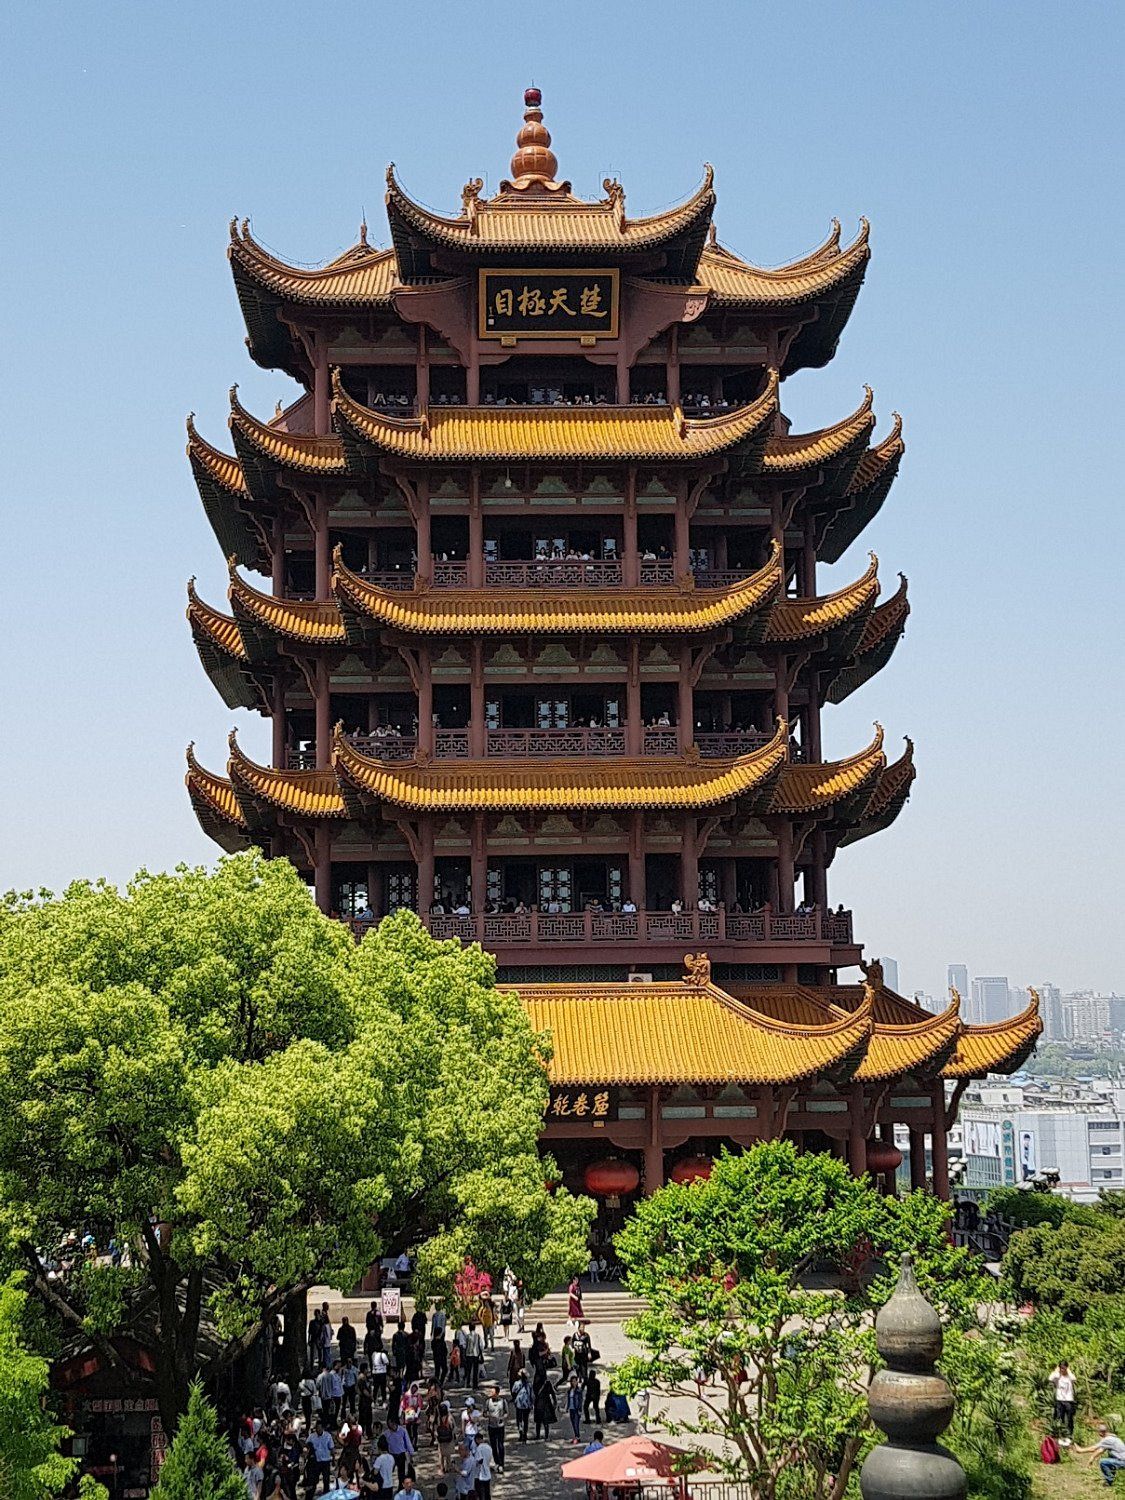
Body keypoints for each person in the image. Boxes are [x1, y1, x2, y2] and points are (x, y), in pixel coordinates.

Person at [384, 1415, 415, 1488]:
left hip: (401, 1455)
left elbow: (408, 1443)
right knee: (388, 1471)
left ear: (394, 1423)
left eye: (390, 1423)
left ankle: (401, 1488)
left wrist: (411, 1454)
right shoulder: (387, 1433)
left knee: (401, 1473)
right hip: (391, 1455)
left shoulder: (402, 1431)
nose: (389, 1425)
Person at [305, 1420, 335, 1496]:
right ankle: (311, 1494)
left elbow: (332, 1448)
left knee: (326, 1479)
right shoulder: (311, 1436)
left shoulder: (328, 1436)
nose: (318, 1430)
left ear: (323, 1428)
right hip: (316, 1461)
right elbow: (306, 1446)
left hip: (326, 1460)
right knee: (314, 1479)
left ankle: (326, 1495)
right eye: (317, 1428)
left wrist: (333, 1459)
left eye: (320, 1428)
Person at [1049, 1360, 1077, 1438]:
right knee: (1060, 1418)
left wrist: (1068, 1370)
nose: (1062, 1369)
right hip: (1060, 1400)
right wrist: (1056, 1371)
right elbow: (1050, 1378)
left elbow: (1074, 1379)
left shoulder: (1069, 1377)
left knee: (1069, 1418)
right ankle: (1060, 1434)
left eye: (1064, 1368)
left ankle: (1070, 1434)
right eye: (1061, 1368)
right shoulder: (1058, 1377)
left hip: (1068, 1400)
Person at [485, 1383, 507, 1474]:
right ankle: (497, 1462)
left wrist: (502, 1418)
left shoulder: (503, 1402)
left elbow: (506, 1413)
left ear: (497, 1393)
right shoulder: (488, 1402)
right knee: (493, 1445)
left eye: (493, 1391)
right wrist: (487, 1415)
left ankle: (501, 1463)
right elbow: (485, 1412)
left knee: (500, 1445)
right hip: (491, 1426)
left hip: (500, 1426)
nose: (491, 1393)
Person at [533, 1372, 557, 1440]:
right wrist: (554, 1402)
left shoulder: (536, 1383)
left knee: (538, 1421)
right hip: (546, 1403)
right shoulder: (547, 1383)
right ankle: (546, 1436)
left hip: (538, 1404)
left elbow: (534, 1393)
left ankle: (538, 1435)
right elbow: (552, 1393)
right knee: (545, 1421)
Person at [435, 1401, 456, 1474]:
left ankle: (442, 1468)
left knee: (441, 1454)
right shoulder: (449, 1418)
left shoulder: (439, 1418)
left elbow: (436, 1427)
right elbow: (453, 1427)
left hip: (441, 1438)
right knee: (448, 1454)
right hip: (449, 1438)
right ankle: (448, 1467)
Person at [512, 1369, 533, 1443]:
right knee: (526, 1420)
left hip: (519, 1404)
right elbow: (531, 1395)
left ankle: (521, 1432)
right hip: (527, 1404)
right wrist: (531, 1403)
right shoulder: (529, 1384)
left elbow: (513, 1392)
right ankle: (525, 1434)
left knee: (519, 1419)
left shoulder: (516, 1383)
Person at [474, 1434, 494, 1500]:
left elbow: (479, 1460)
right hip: (487, 1473)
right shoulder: (489, 1447)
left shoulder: (479, 1448)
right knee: (487, 1492)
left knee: (481, 1494)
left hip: (480, 1474)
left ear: (477, 1439)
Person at [464, 1322, 483, 1389]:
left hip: (468, 1354)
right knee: (475, 1371)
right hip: (476, 1355)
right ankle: (475, 1385)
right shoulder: (477, 1336)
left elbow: (464, 1345)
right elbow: (481, 1346)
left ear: (469, 1329)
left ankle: (468, 1383)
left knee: (468, 1370)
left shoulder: (467, 1336)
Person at [565, 1374, 583, 1443]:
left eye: (575, 1381)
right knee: (573, 1423)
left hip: (576, 1408)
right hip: (571, 1408)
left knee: (576, 1423)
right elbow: (569, 1399)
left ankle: (577, 1437)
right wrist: (567, 1408)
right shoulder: (570, 1390)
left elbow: (580, 1400)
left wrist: (580, 1409)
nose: (574, 1382)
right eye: (572, 1381)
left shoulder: (579, 1390)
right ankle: (576, 1436)